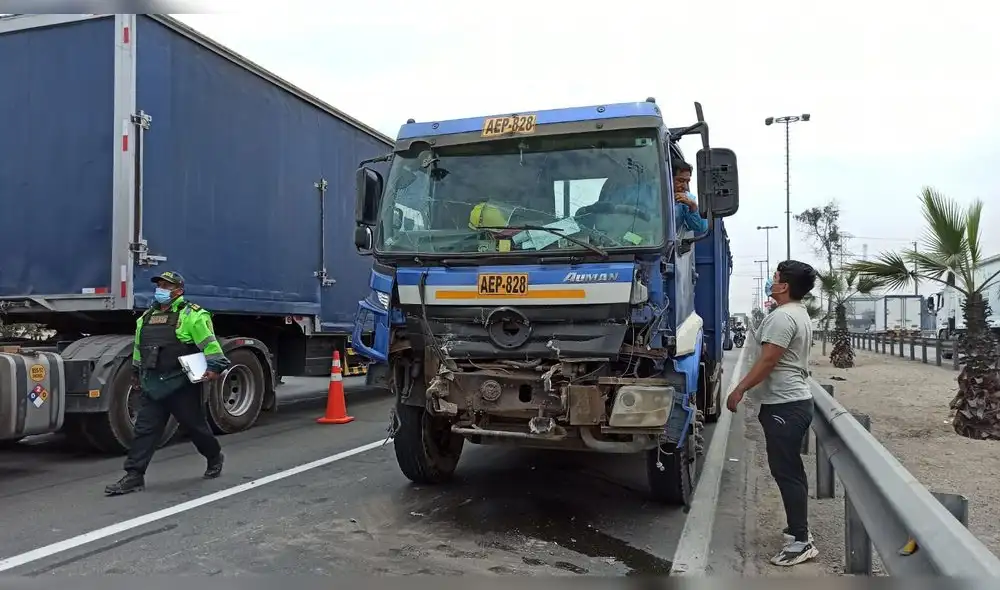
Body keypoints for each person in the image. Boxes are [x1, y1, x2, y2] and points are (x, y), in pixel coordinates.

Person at [725, 259, 819, 567]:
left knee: (787, 471)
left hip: (785, 405)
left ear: (785, 286)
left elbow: (768, 361)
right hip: (789, 403)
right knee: (789, 470)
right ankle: (797, 530)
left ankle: (801, 541)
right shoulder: (796, 313)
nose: (772, 280)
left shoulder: (783, 318)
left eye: (776, 277)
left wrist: (739, 389)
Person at [104, 271, 231, 496]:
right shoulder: (146, 318)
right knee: (145, 430)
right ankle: (134, 475)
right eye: (159, 285)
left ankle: (214, 457)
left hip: (180, 383)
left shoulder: (193, 315)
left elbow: (210, 346)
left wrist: (214, 368)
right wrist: (135, 372)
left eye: (166, 286)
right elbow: (139, 348)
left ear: (179, 291)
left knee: (195, 427)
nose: (161, 289)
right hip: (153, 384)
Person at [671, 160, 709, 234]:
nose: (685, 187)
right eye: (680, 180)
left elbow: (701, 228)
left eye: (687, 182)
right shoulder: (649, 193)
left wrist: (693, 206)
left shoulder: (688, 199)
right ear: (668, 177)